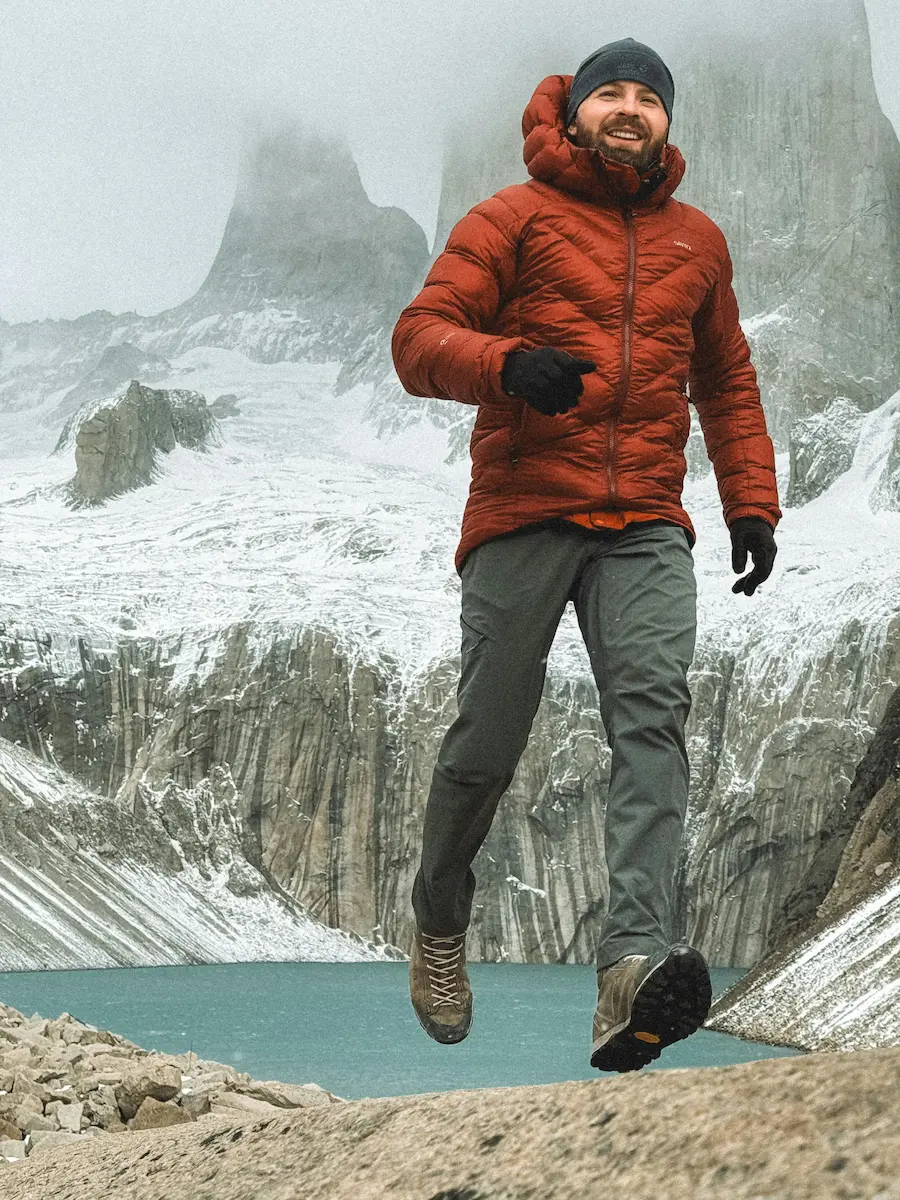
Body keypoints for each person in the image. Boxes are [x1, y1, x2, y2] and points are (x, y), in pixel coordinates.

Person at [391, 38, 780, 1072]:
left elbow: (727, 382)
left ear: (666, 123)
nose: (627, 108)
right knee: (487, 738)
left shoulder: (699, 242)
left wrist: (752, 502)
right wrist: (510, 364)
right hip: (524, 508)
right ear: (571, 114)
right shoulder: (508, 220)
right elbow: (419, 339)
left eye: (646, 98)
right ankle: (438, 918)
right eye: (609, 91)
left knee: (653, 723)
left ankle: (629, 968)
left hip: (645, 523)